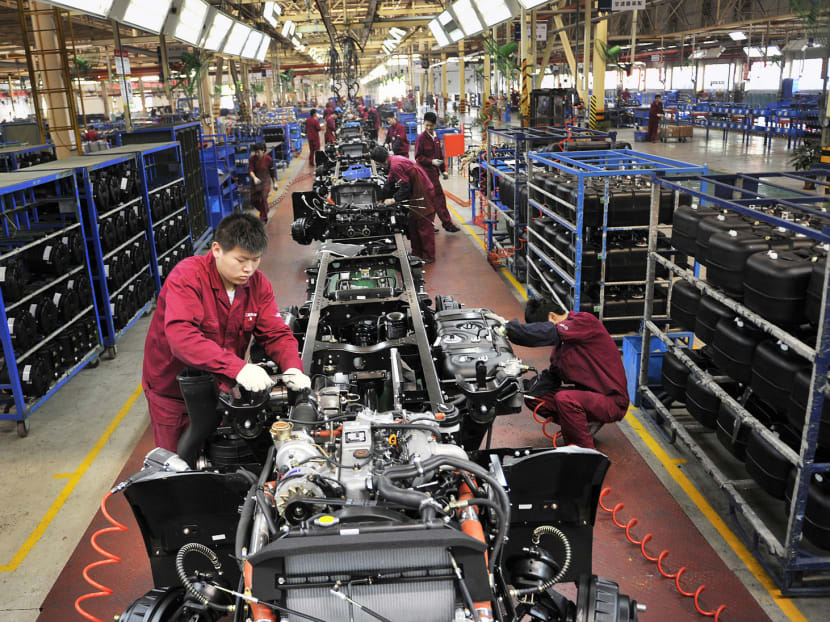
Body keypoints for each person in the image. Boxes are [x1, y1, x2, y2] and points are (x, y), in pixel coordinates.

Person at [142, 213, 310, 452]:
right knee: (177, 465)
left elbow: (276, 333)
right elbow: (182, 338)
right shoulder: (187, 277)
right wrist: (238, 368)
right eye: (241, 260)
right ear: (217, 249)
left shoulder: (258, 284)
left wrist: (292, 365)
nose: (248, 269)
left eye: (255, 260)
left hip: (220, 387)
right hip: (174, 394)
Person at [490, 298, 629, 449]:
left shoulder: (584, 321)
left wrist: (508, 329)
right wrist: (520, 387)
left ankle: (585, 452)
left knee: (565, 399)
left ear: (552, 317)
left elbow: (548, 332)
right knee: (533, 396)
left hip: (612, 401)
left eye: (540, 326)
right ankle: (579, 428)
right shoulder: (560, 348)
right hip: (587, 398)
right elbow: (553, 377)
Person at [371, 145, 436, 264]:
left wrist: (393, 199)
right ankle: (416, 253)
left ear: (378, 162)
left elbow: (405, 187)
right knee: (413, 223)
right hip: (417, 191)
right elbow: (389, 182)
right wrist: (380, 198)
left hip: (423, 192)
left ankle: (428, 256)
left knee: (423, 225)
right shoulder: (394, 160)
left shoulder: (395, 165)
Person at [415, 111, 459, 233]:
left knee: (431, 200)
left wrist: (443, 170)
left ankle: (430, 224)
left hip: (434, 174)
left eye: (431, 125)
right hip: (425, 174)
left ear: (435, 125)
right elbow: (418, 157)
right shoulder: (421, 138)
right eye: (427, 125)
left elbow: (440, 155)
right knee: (436, 199)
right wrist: (431, 161)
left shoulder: (436, 138)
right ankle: (447, 224)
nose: (429, 128)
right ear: (424, 123)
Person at [247, 143, 276, 223]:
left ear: (263, 151)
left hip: (265, 181)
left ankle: (263, 218)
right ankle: (265, 210)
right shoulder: (252, 159)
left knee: (263, 198)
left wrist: (275, 183)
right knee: (253, 200)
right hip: (256, 182)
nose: (256, 154)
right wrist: (254, 178)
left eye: (258, 152)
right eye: (255, 152)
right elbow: (250, 169)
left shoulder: (269, 159)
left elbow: (272, 172)